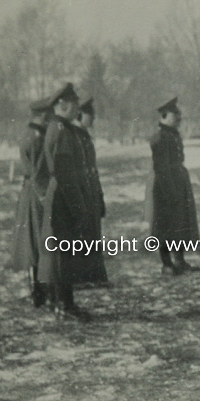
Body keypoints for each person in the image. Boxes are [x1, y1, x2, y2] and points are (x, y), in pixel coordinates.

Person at [36, 83, 94, 321]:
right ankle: (64, 304)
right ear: (63, 105)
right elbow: (64, 174)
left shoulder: (61, 128)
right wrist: (78, 207)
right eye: (75, 104)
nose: (79, 108)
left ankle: (65, 302)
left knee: (65, 252)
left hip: (61, 197)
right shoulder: (60, 130)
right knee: (63, 254)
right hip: (63, 199)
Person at [146, 96, 200, 275]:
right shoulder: (160, 137)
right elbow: (161, 168)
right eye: (175, 114)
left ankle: (180, 260)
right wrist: (170, 192)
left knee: (179, 222)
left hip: (177, 181)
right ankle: (167, 263)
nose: (179, 117)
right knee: (164, 224)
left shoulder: (172, 135)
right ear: (164, 115)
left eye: (178, 113)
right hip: (165, 185)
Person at [12, 96, 52, 307]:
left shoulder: (33, 134)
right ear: (44, 116)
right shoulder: (37, 138)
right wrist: (47, 199)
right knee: (38, 241)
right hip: (37, 193)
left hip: (32, 191)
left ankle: (38, 288)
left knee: (36, 241)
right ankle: (38, 290)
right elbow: (38, 173)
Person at [73, 96, 108, 285]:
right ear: (79, 115)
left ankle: (93, 275)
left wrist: (99, 195)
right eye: (90, 114)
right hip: (82, 192)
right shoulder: (74, 136)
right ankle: (81, 277)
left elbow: (93, 169)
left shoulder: (85, 137)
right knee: (83, 235)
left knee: (93, 234)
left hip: (91, 191)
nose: (93, 118)